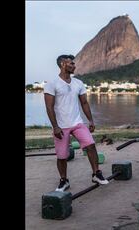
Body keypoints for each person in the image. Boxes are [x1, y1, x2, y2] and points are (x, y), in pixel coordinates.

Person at [44, 54, 109, 192]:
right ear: (63, 64)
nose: (74, 66)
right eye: (71, 63)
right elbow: (49, 107)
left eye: (74, 64)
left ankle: (96, 173)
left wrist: (90, 120)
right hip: (61, 126)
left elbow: (84, 103)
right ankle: (64, 180)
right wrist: (55, 126)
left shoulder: (78, 83)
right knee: (62, 156)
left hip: (77, 123)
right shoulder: (52, 84)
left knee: (91, 145)